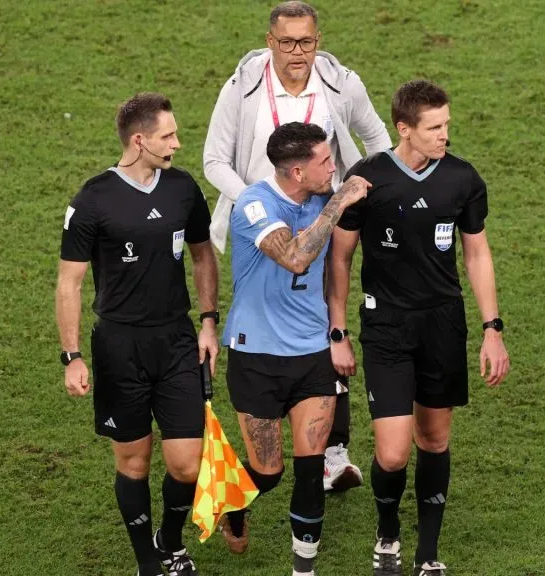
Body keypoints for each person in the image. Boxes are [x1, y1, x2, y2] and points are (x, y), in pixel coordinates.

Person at [203, 0, 391, 496]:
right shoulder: (243, 86)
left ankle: (333, 452)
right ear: (270, 42)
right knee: (266, 313)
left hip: (323, 220)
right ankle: (268, 449)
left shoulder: (340, 84)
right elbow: (213, 159)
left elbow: (376, 139)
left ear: (318, 39)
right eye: (286, 42)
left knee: (329, 310)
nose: (297, 52)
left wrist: (350, 190)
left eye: (306, 42)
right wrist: (256, 206)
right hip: (262, 227)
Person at [328, 79, 511, 576]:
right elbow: (340, 260)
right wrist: (337, 331)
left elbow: (476, 252)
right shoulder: (366, 179)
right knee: (391, 453)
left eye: (447, 124)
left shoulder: (463, 180)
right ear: (403, 129)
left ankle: (428, 554)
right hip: (385, 327)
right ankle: (387, 533)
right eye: (434, 127)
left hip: (442, 325)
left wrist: (492, 328)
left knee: (434, 439)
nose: (444, 135)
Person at [56, 92, 219, 576]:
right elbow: (70, 281)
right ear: (139, 139)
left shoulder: (183, 189)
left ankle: (169, 538)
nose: (178, 144)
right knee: (133, 462)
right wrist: (73, 356)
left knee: (187, 464)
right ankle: (150, 561)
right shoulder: (92, 199)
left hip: (176, 342)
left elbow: (203, 255)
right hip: (119, 346)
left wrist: (209, 320)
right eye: (168, 136)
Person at [218, 122, 370, 574]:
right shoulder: (254, 205)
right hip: (257, 357)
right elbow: (297, 256)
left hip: (310, 354)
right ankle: (233, 502)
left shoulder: (325, 195)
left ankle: (303, 568)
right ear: (298, 172)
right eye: (325, 162)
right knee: (268, 473)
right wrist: (339, 202)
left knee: (310, 467)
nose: (334, 168)